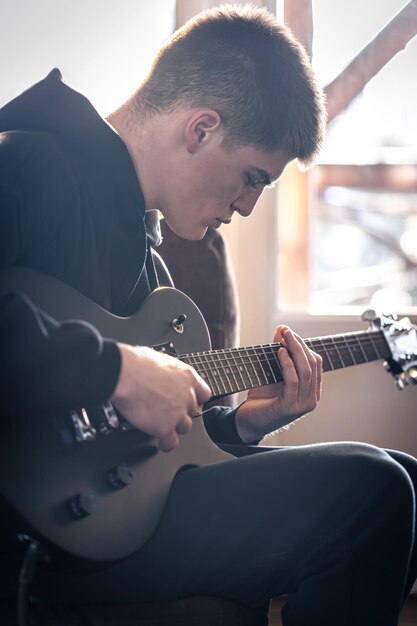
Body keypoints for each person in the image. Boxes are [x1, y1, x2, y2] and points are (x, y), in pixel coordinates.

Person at [0, 5, 416, 625]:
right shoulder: (27, 163)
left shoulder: (152, 270)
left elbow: (150, 456)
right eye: (252, 177)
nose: (247, 207)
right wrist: (114, 369)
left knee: (408, 478)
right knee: (373, 490)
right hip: (28, 528)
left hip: (106, 518)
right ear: (200, 129)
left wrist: (250, 422)